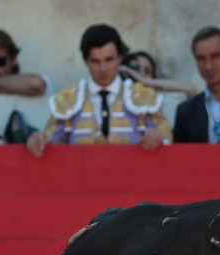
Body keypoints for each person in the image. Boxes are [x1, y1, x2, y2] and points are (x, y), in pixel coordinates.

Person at [26, 24, 171, 157]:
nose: (103, 68)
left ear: (120, 58)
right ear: (85, 61)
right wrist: (39, 140)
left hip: (132, 180)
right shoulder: (68, 100)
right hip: (81, 181)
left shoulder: (143, 97)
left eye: (109, 59)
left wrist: (157, 136)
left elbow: (167, 139)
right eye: (95, 61)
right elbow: (50, 144)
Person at [120, 50, 197, 97]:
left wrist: (145, 81)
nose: (141, 74)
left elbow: (191, 89)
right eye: (135, 68)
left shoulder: (157, 98)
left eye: (147, 72)